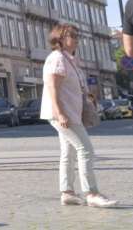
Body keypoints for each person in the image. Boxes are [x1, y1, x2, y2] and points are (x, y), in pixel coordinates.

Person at [41, 23, 116, 207]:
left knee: (68, 151)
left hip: (71, 112)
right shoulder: (57, 58)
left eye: (76, 36)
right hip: (63, 114)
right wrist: (60, 113)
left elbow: (70, 86)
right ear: (60, 39)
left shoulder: (70, 59)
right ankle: (92, 193)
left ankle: (67, 192)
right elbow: (52, 87)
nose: (76, 40)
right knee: (86, 150)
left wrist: (87, 95)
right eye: (72, 36)